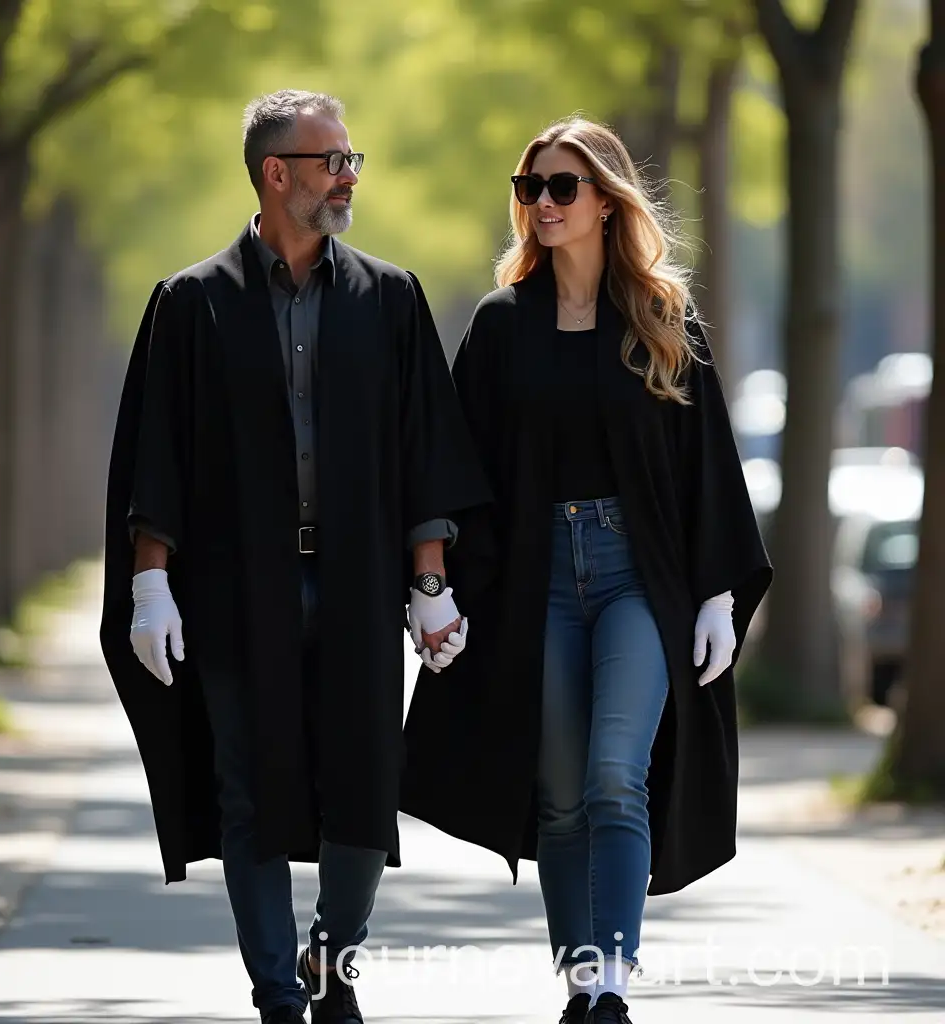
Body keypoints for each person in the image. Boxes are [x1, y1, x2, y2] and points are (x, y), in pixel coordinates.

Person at [99, 90, 489, 1024]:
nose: (349, 177)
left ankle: (334, 963)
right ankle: (276, 990)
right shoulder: (190, 304)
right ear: (277, 175)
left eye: (353, 160)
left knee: (364, 784)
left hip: (357, 583)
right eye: (332, 163)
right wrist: (152, 581)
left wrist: (430, 584)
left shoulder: (389, 299)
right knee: (250, 788)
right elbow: (161, 453)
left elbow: (423, 448)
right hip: (239, 587)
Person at [401, 117, 772, 1024]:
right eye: (530, 188)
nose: (543, 205)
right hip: (535, 577)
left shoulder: (660, 317)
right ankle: (578, 982)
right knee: (559, 793)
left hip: (637, 573)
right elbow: (451, 460)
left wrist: (718, 592)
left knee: (616, 772)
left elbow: (704, 458)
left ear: (607, 200)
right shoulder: (499, 327)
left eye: (562, 187)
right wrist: (433, 583)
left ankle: (612, 977)